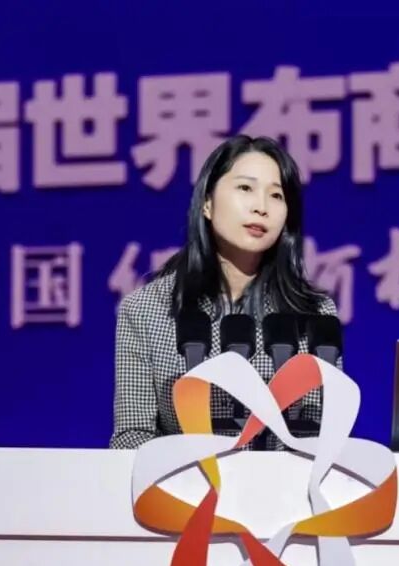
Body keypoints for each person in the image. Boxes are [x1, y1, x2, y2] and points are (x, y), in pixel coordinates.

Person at [110, 135, 339, 450]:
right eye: (245, 188)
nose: (261, 207)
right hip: (185, 480)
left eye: (276, 195)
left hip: (286, 481)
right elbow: (131, 437)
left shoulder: (315, 315)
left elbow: (325, 436)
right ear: (207, 203)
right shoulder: (146, 309)